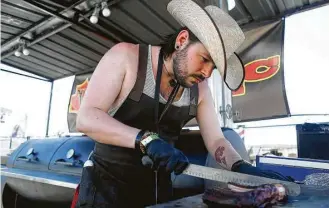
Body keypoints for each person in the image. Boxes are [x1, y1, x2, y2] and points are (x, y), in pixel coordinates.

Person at [71, 0, 293, 207]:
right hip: (106, 188)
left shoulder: (201, 91)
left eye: (213, 68)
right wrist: (145, 139)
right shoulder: (127, 58)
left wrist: (241, 167)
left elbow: (216, 140)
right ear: (182, 40)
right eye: (205, 59)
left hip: (158, 192)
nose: (207, 73)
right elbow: (87, 117)